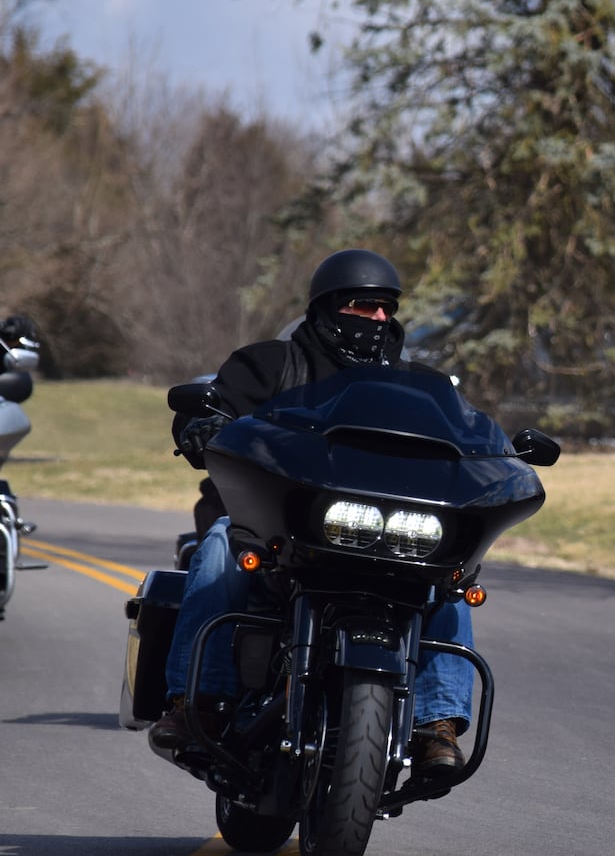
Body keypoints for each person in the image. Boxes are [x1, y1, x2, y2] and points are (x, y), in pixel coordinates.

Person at [148, 248, 472, 777]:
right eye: (368, 307)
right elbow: (216, 406)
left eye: (388, 308)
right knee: (216, 547)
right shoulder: (268, 364)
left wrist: (500, 456)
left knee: (453, 573)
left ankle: (436, 723)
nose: (382, 319)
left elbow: (463, 439)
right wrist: (202, 425)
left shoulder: (418, 385)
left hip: (379, 536)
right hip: (279, 530)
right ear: (333, 306)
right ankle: (194, 702)